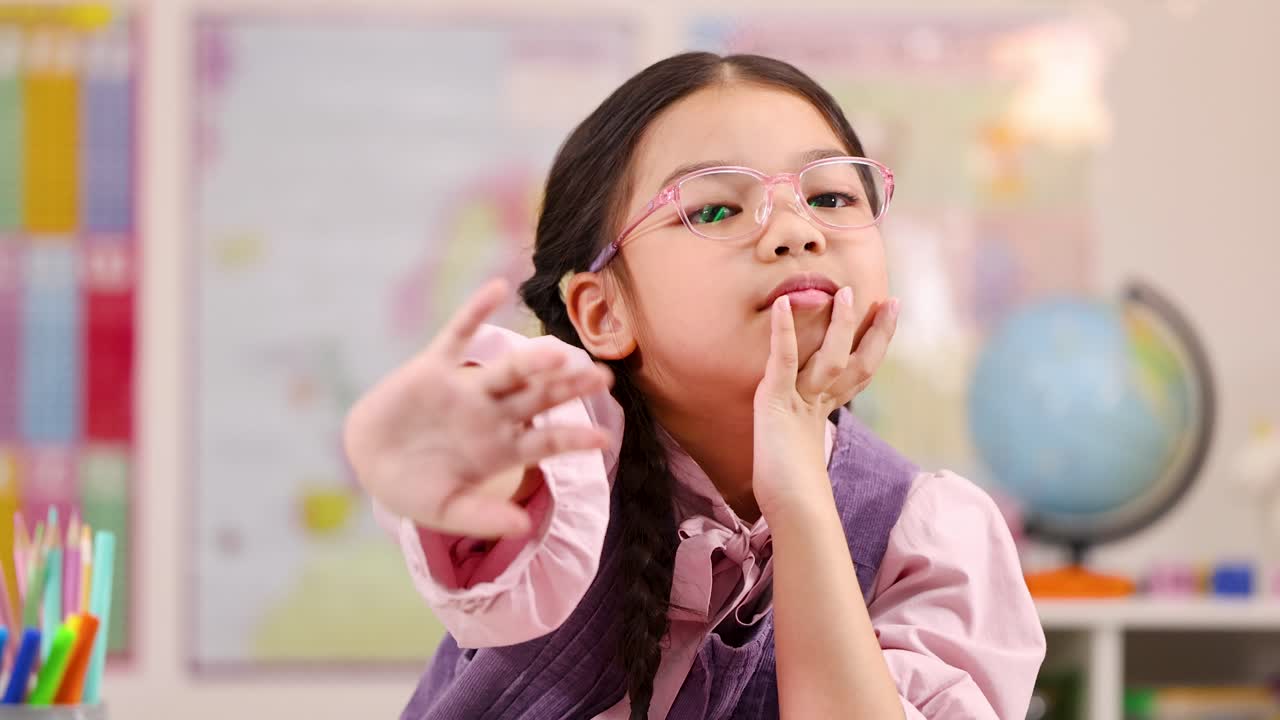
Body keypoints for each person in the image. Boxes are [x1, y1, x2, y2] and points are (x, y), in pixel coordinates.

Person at [345, 51, 1046, 719]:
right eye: (715, 210)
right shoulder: (573, 450)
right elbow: (500, 466)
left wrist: (799, 494)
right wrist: (441, 458)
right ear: (603, 311)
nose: (796, 231)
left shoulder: (929, 540)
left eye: (830, 195)